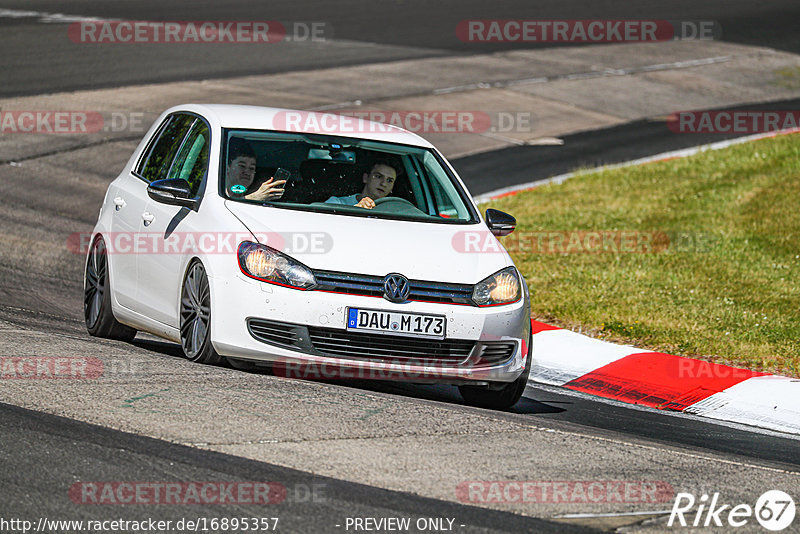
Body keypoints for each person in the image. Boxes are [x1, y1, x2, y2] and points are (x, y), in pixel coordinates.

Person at [325, 160, 398, 209]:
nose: (384, 184)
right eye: (378, 176)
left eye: (389, 180)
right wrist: (356, 210)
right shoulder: (336, 203)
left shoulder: (396, 212)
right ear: (366, 178)